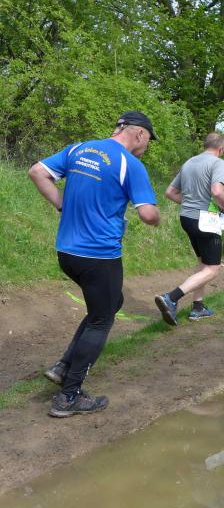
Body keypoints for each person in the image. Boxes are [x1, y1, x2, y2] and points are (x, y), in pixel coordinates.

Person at [29, 111, 160, 417]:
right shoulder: (130, 164)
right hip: (99, 256)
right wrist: (157, 216)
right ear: (139, 134)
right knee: (102, 319)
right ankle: (68, 396)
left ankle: (63, 366)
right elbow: (147, 214)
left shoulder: (80, 149)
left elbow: (37, 172)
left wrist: (61, 205)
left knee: (111, 303)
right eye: (148, 141)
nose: (146, 146)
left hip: (67, 252)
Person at [155, 133, 224, 325]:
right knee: (212, 269)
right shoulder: (218, 163)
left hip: (186, 218)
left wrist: (190, 203)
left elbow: (170, 193)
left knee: (203, 262)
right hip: (205, 221)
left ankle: (198, 307)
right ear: (220, 149)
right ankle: (171, 298)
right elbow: (217, 191)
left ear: (205, 145)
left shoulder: (189, 163)